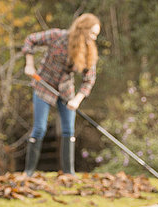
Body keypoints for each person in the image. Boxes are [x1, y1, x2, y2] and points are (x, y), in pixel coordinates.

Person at [22, 13, 100, 176]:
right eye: (92, 33)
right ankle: (28, 172)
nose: (94, 38)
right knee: (40, 128)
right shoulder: (57, 36)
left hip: (66, 91)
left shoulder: (88, 51)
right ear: (83, 29)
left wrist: (77, 100)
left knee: (68, 131)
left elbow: (89, 79)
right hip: (44, 86)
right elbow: (31, 39)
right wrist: (29, 64)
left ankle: (69, 173)